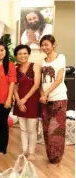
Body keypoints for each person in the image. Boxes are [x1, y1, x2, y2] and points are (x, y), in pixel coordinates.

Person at [39, 35, 68, 166]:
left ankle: (57, 157)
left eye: (46, 44)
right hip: (45, 100)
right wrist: (42, 94)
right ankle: (50, 156)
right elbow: (40, 82)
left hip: (58, 98)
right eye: (42, 45)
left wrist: (46, 93)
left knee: (56, 129)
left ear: (53, 45)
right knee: (46, 129)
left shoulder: (60, 58)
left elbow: (59, 79)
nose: (44, 47)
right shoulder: (42, 61)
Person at [13, 44, 41, 161]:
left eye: (25, 53)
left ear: (28, 54)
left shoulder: (35, 66)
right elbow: (14, 87)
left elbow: (36, 85)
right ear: (16, 56)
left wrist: (25, 99)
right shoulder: (15, 69)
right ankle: (24, 150)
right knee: (23, 128)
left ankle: (32, 152)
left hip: (32, 101)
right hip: (20, 101)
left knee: (31, 129)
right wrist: (19, 101)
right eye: (20, 54)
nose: (22, 56)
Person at [0, 41, 17, 157]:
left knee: (2, 124)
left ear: (5, 51)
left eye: (2, 50)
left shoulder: (10, 64)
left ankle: (1, 148)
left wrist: (9, 98)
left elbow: (12, 83)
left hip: (4, 99)